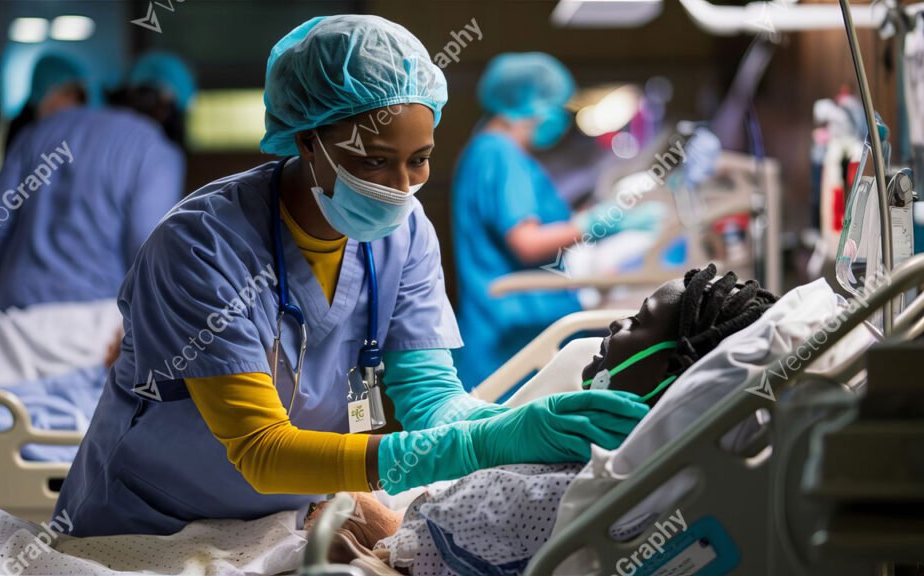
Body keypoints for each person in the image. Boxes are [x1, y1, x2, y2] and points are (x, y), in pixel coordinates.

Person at [54, 15, 650, 538]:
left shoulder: (406, 231)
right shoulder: (202, 246)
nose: (399, 188)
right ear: (308, 139)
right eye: (372, 161)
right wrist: (478, 445)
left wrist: (523, 424)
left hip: (284, 516)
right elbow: (262, 450)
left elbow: (432, 402)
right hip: (151, 524)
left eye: (418, 160)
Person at [307, 264, 779, 574]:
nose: (616, 325)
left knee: (333, 521)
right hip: (410, 526)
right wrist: (494, 434)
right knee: (342, 504)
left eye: (636, 322)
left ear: (673, 370)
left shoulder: (604, 488)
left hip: (412, 555)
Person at [452, 53, 664, 391]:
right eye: (555, 104)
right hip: (514, 331)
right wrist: (594, 225)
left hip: (504, 325)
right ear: (530, 103)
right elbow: (527, 243)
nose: (560, 117)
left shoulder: (486, 152)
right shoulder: (500, 154)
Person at [0, 52, 186, 312]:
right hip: (98, 320)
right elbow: (146, 244)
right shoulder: (156, 150)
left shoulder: (38, 132)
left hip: (17, 310)